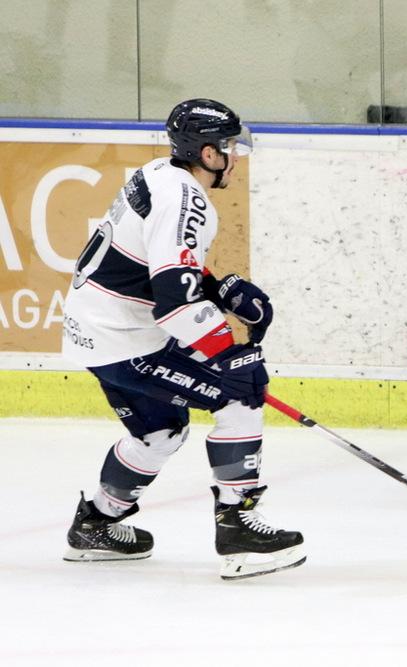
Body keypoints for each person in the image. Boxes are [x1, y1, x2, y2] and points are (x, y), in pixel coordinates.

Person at [61, 98, 305, 578]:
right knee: (241, 395)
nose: (235, 157)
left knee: (159, 433)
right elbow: (176, 304)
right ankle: (238, 529)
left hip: (96, 329)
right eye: (229, 147)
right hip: (128, 338)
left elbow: (159, 267)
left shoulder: (156, 173)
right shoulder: (187, 199)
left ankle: (96, 524)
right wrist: (228, 354)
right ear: (209, 153)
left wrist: (219, 290)